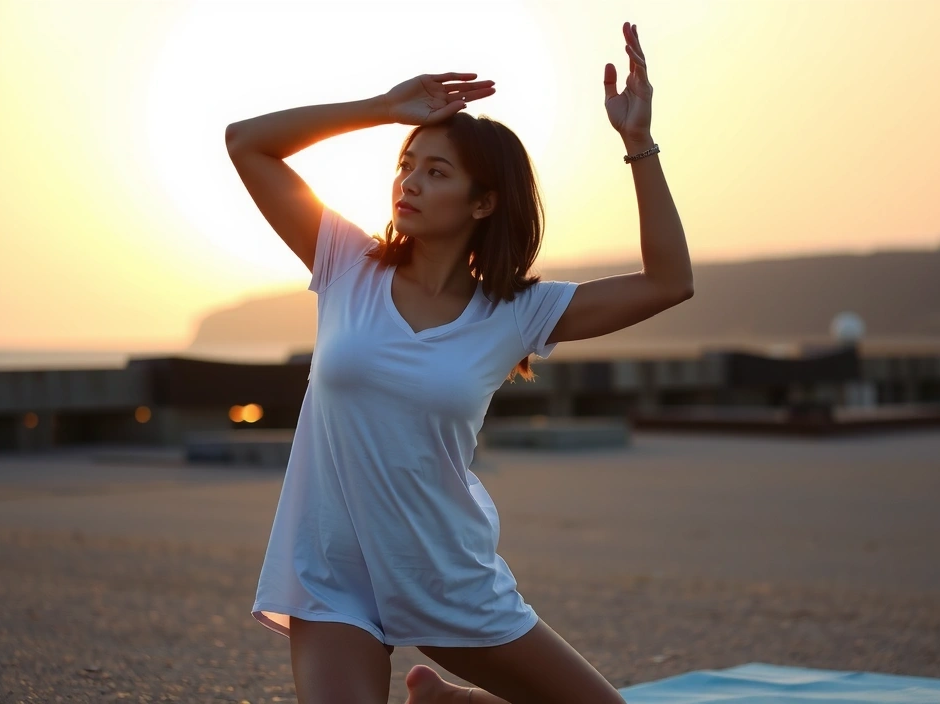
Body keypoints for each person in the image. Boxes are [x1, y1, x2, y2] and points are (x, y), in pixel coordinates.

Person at [225, 20, 693, 704]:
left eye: (435, 171)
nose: (409, 182)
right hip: (333, 576)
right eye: (406, 165)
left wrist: (637, 143)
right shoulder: (346, 262)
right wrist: (384, 108)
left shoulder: (517, 311)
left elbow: (668, 282)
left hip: (444, 572)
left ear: (484, 201)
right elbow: (247, 143)